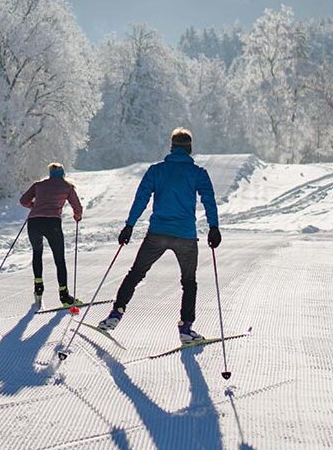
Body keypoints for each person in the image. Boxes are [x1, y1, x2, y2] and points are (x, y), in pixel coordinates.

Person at [100, 128, 221, 341]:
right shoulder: (198, 173)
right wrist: (214, 227)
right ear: (190, 149)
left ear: (172, 148)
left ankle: (115, 313)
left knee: (136, 273)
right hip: (185, 235)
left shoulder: (156, 171)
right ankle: (186, 328)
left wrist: (129, 225)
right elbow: (209, 200)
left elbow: (141, 199)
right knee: (189, 282)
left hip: (157, 233)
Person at [19, 162, 84, 308]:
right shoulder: (67, 187)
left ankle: (38, 289)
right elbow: (77, 206)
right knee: (59, 258)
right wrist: (77, 216)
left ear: (50, 174)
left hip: (34, 222)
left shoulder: (38, 185)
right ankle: (64, 297)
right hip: (52, 224)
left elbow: (23, 201)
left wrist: (34, 206)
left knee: (37, 252)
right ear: (63, 174)